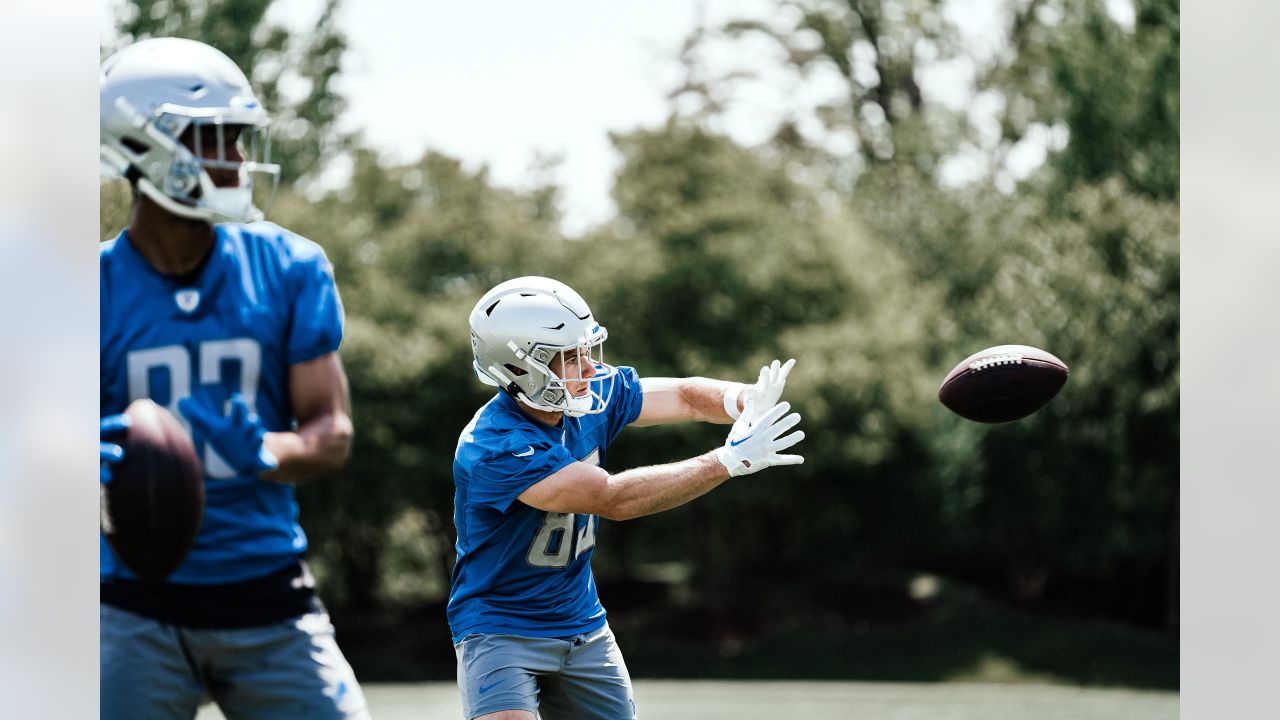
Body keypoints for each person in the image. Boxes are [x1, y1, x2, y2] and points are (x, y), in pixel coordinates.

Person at [98, 37, 369, 720]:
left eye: (242, 139)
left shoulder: (289, 265)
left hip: (267, 589)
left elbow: (331, 435)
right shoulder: (82, 288)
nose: (241, 161)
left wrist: (267, 451)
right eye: (218, 138)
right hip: (129, 602)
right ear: (144, 146)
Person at [450, 276, 805, 719]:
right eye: (567, 358)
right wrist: (727, 461)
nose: (587, 368)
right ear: (518, 367)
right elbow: (612, 498)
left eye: (584, 351)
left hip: (582, 622)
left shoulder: (586, 391)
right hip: (501, 628)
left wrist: (741, 400)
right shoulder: (495, 447)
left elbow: (684, 396)